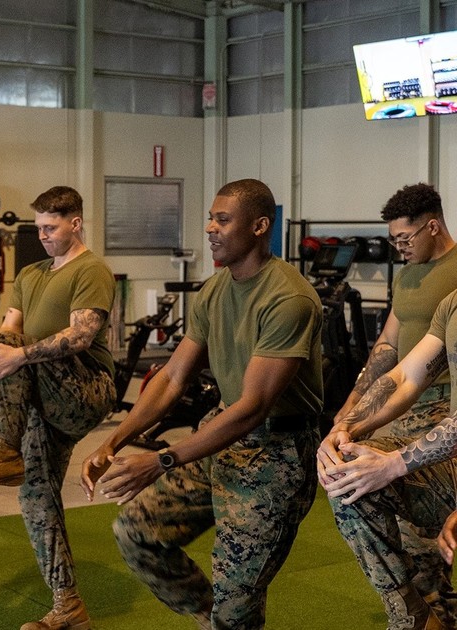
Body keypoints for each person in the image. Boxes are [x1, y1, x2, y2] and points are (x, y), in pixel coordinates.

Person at [81, 178, 323, 630]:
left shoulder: (289, 299)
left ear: (259, 226)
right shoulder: (215, 290)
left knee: (237, 601)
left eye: (222, 219)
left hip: (275, 455)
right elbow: (172, 378)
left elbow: (253, 407)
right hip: (221, 437)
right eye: (210, 218)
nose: (210, 228)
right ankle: (215, 620)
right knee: (136, 533)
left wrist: (162, 459)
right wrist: (114, 441)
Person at [0, 186, 118, 629]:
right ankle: (68, 604)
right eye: (39, 228)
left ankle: (4, 450)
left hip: (86, 388)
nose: (43, 236)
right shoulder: (31, 273)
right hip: (41, 394)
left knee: (14, 347)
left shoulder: (91, 270)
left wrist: (15, 353)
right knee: (35, 495)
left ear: (76, 223)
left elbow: (80, 337)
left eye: (51, 227)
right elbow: (10, 326)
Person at [321, 183, 457, 624]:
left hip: (443, 414)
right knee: (354, 479)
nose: (400, 249)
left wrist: (395, 462)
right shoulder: (435, 296)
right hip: (412, 413)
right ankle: (418, 617)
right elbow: (398, 365)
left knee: (422, 543)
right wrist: (349, 419)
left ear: (432, 227)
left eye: (405, 238)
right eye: (394, 241)